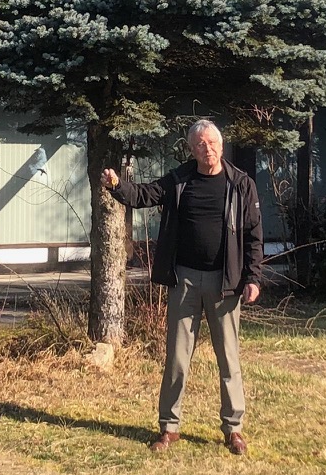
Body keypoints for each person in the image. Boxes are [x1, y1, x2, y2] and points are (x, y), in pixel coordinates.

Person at [102, 118, 264, 455]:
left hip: (225, 284)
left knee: (228, 360)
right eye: (200, 144)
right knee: (176, 358)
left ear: (222, 145)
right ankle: (169, 427)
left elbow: (253, 235)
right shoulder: (180, 180)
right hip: (185, 280)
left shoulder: (241, 184)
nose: (207, 149)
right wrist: (118, 186)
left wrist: (253, 277)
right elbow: (146, 194)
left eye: (212, 143)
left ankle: (233, 429)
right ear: (191, 149)